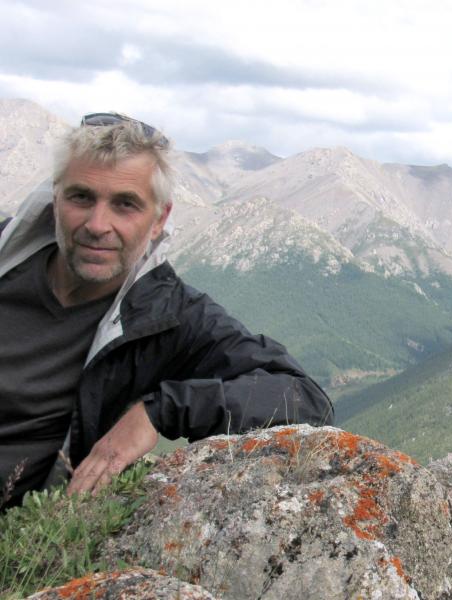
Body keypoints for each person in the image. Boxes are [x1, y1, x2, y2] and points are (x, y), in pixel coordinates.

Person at [0, 112, 333, 509]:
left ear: (160, 219)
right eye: (81, 197)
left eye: (125, 205)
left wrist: (159, 411)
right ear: (56, 198)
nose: (97, 224)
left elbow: (305, 398)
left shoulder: (169, 317)